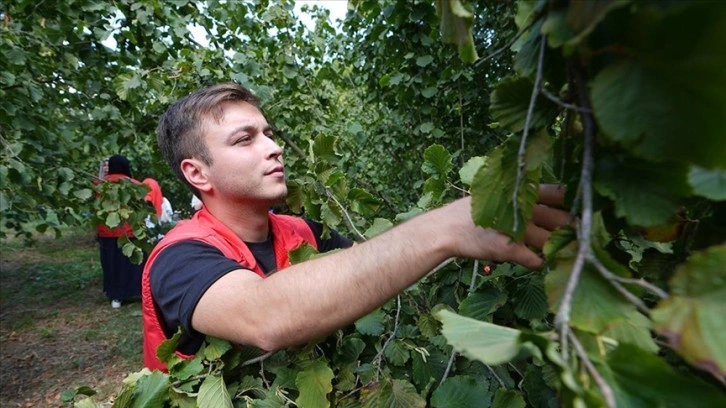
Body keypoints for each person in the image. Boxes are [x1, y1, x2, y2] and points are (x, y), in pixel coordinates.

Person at [142, 83, 570, 371]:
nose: (274, 148)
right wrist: (443, 228)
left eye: (269, 133)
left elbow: (372, 268)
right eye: (245, 139)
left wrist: (473, 250)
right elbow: (266, 316)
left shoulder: (303, 231)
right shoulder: (178, 259)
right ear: (198, 174)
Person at [97, 155, 146, 309]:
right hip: (130, 232)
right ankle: (136, 292)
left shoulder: (99, 185)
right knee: (131, 263)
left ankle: (116, 296)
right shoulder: (135, 185)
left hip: (107, 232)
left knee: (112, 264)